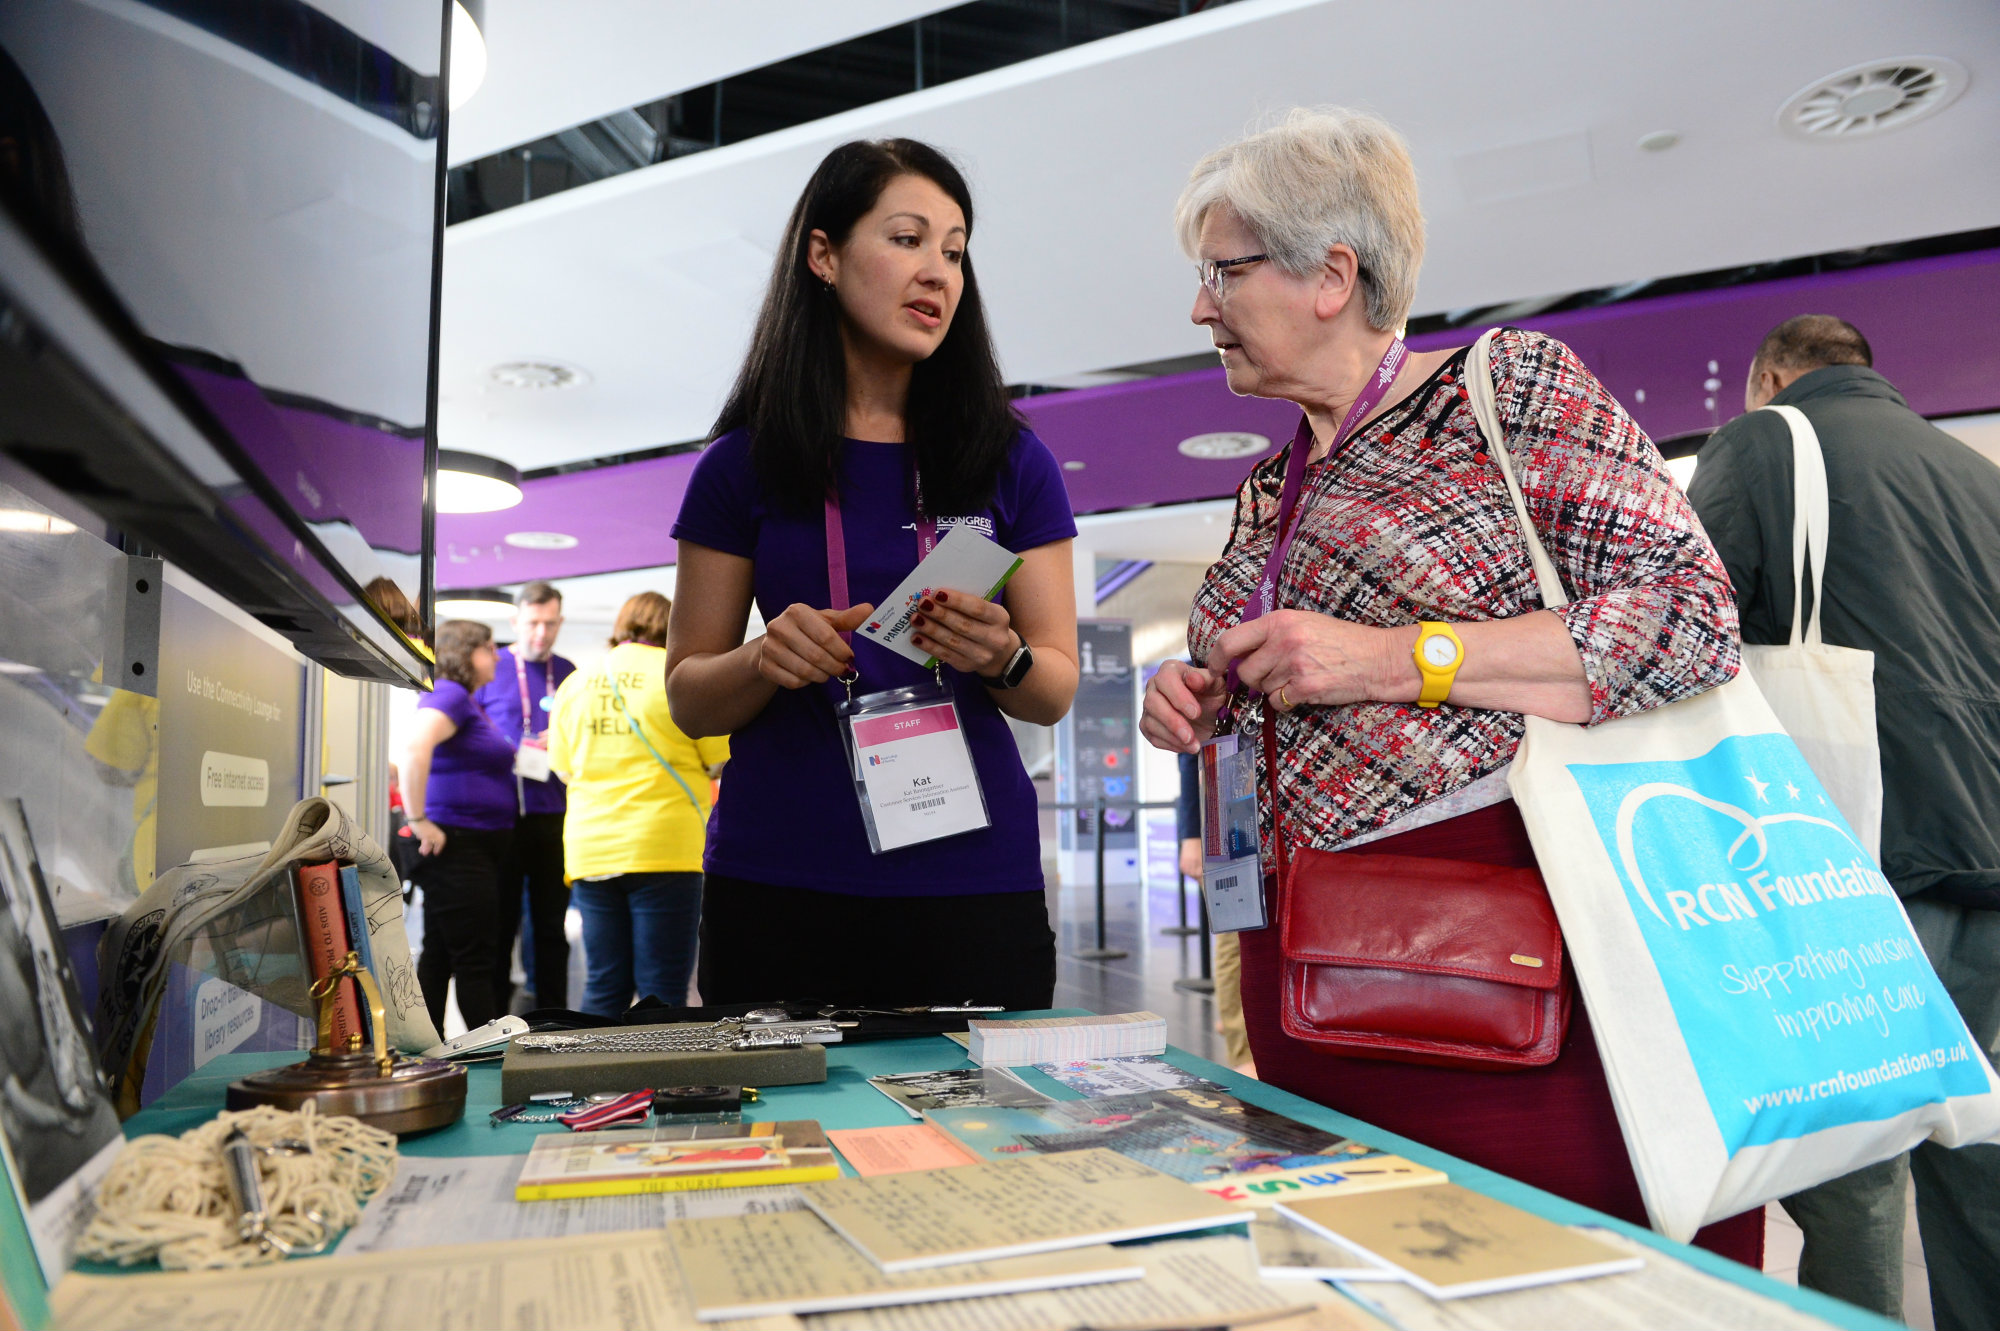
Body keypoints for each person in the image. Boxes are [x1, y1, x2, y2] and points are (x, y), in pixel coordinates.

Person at [1139, 108, 1762, 1265]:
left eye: (1222, 271)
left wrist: (1387, 656)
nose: (1196, 307)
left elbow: (1688, 618)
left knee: (1537, 1276)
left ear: (1332, 274)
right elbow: (1277, 682)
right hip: (1306, 978)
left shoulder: (1501, 390)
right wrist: (1195, 699)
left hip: (1501, 983)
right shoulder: (1271, 487)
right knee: (1353, 1276)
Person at [667, 137, 1079, 1008]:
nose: (938, 271)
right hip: (780, 882)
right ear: (823, 255)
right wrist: (760, 658)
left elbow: (1053, 686)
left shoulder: (1011, 459)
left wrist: (1002, 656)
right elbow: (689, 697)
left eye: (956, 251)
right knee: (786, 1142)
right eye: (906, 239)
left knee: (985, 1145)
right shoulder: (740, 465)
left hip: (973, 882)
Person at [1687, 315, 2000, 1329]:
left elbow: (1684, 633)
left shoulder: (1763, 440)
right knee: (1971, 1136)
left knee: (1852, 1153)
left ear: (1769, 375)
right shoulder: (1975, 473)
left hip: (1851, 857)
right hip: (1987, 852)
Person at [547, 593, 729, 1015]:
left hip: (592, 850)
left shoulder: (577, 681)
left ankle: (596, 1077)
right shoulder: (677, 679)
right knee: (661, 988)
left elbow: (562, 769)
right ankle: (659, 1082)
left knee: (603, 984)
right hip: (665, 847)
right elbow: (717, 759)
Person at [400, 620, 516, 1031]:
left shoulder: (464, 700)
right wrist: (418, 820)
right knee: (474, 959)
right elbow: (415, 748)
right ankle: (489, 1061)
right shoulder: (449, 692)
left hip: (470, 847)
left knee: (442, 955)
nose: (497, 656)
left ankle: (426, 1054)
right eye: (489, 647)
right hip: (461, 848)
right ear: (466, 653)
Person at [475, 581, 576, 1013]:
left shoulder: (569, 672)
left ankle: (554, 1017)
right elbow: (467, 735)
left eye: (550, 624)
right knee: (500, 924)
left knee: (551, 926)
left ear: (560, 622)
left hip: (554, 815)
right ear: (515, 620)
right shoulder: (489, 668)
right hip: (501, 817)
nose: (541, 633)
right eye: (533, 623)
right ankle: (495, 1021)